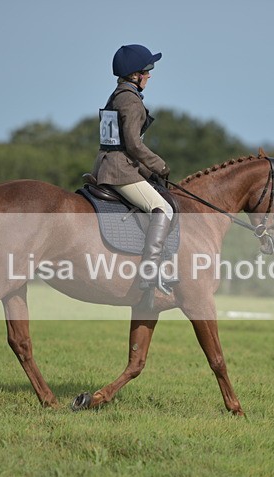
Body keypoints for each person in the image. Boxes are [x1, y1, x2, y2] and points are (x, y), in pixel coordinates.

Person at [91, 44, 177, 306]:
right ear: (136, 75)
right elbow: (133, 144)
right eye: (147, 72)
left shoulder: (118, 95)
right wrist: (159, 165)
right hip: (119, 170)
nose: (150, 76)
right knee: (162, 208)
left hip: (109, 163)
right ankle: (150, 272)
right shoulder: (130, 100)